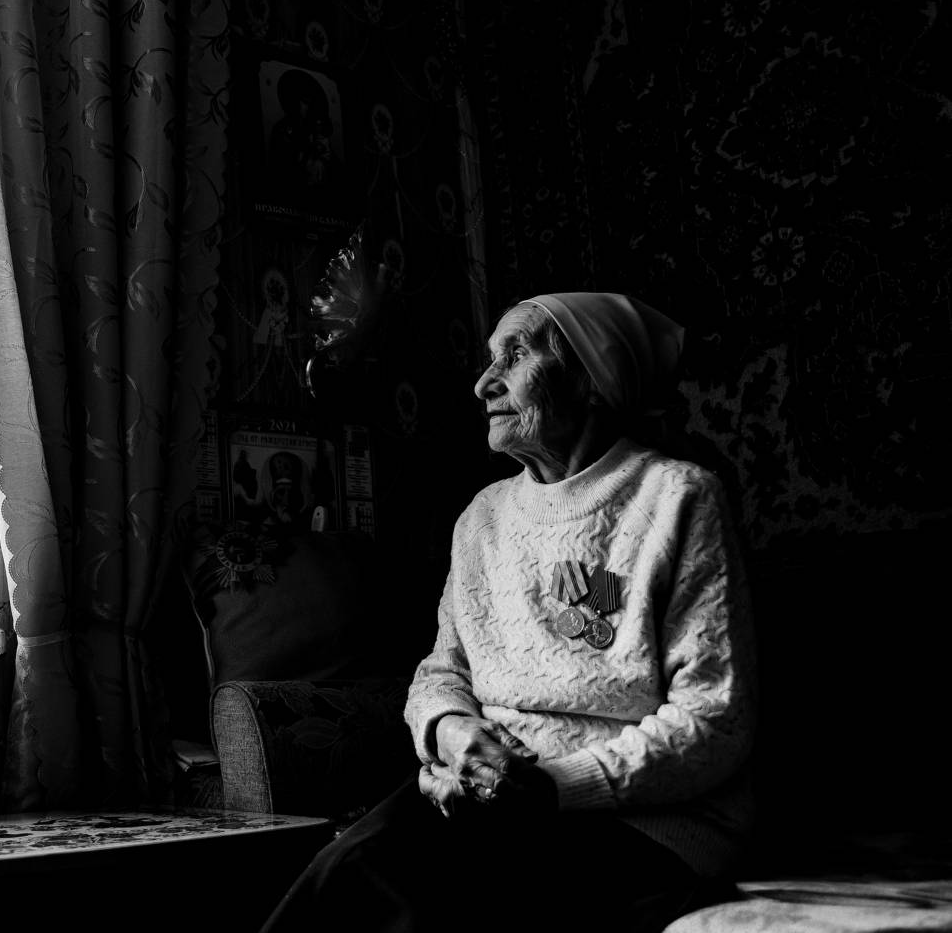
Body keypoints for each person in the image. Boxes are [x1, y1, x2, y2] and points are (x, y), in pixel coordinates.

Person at [260, 292, 756, 933]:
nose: (483, 383)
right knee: (340, 880)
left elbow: (714, 721)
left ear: (592, 378)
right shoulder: (483, 517)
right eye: (490, 359)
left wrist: (551, 787)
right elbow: (442, 673)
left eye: (515, 356)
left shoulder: (679, 497)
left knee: (449, 905)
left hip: (639, 816)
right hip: (488, 793)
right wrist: (452, 735)